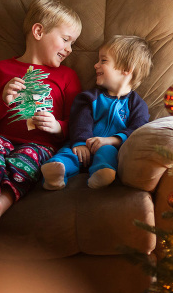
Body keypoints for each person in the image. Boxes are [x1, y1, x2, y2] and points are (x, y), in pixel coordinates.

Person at [0, 0, 83, 243]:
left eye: (73, 43)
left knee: (26, 162)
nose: (70, 49)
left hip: (41, 147)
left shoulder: (67, 77)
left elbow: (78, 124)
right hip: (0, 138)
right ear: (39, 31)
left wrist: (58, 127)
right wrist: (3, 100)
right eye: (66, 40)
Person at [41, 35, 153, 190]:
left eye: (103, 60)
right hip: (82, 146)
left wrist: (112, 140)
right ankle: (56, 172)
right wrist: (80, 142)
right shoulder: (89, 98)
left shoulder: (137, 105)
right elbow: (80, 122)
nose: (95, 65)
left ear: (126, 69)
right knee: (68, 153)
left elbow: (137, 129)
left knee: (107, 152)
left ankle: (102, 173)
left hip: (110, 149)